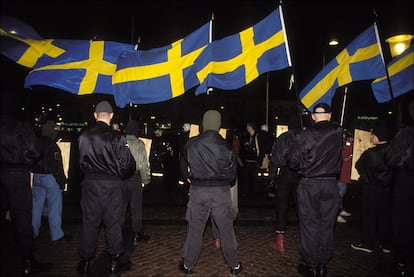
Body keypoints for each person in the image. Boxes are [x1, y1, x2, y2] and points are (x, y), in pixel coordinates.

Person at [178, 110, 242, 276]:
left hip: (198, 191)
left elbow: (183, 164)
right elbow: (233, 175)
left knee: (195, 229)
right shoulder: (226, 146)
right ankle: (234, 265)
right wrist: (223, 180)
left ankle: (188, 264)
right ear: (218, 125)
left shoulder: (191, 144)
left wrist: (188, 178)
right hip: (220, 192)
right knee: (226, 229)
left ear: (204, 124)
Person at [76, 101, 136, 275]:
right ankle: (115, 261)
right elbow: (128, 165)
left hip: (90, 183)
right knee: (113, 223)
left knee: (90, 223)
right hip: (111, 184)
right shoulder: (117, 137)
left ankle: (86, 261)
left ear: (95, 115)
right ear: (111, 116)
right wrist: (119, 175)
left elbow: (80, 162)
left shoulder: (83, 136)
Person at [287, 103, 343, 277]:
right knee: (327, 225)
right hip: (330, 184)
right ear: (330, 115)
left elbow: (292, 161)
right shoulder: (339, 133)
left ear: (312, 116)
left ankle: (311, 264)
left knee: (309, 224)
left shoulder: (305, 135)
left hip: (310, 184)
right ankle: (323, 263)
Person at [0, 116, 51, 276]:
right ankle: (27, 261)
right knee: (22, 216)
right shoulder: (19, 124)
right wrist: (26, 161)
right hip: (16, 172)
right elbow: (35, 149)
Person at [351, 122, 394, 254]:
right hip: (387, 189)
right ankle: (386, 244)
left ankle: (367, 243)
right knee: (384, 216)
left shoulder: (371, 153)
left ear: (379, 136)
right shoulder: (393, 150)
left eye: (373, 134)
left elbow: (359, 166)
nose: (371, 137)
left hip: (370, 188)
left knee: (368, 215)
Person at [385, 100, 414, 276]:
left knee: (403, 221)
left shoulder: (408, 132)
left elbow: (391, 158)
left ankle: (401, 263)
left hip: (407, 182)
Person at [31, 120, 70, 242]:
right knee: (55, 206)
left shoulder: (36, 142)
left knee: (36, 207)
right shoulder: (52, 145)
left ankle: (33, 232)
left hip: (37, 176)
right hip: (50, 178)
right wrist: (62, 181)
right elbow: (56, 166)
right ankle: (56, 234)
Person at [268, 118, 300, 253]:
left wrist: (272, 177)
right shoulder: (305, 137)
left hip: (285, 173)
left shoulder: (283, 138)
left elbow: (275, 159)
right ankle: (305, 236)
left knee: (282, 206)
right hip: (300, 173)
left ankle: (280, 239)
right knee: (301, 205)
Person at [122, 119, 151, 245]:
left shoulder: (119, 143)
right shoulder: (139, 144)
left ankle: (117, 232)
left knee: (120, 208)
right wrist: (146, 180)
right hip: (135, 179)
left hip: (121, 179)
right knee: (136, 208)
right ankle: (136, 234)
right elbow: (144, 164)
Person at [336, 134, 354, 223]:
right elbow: (345, 158)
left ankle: (341, 209)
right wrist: (350, 156)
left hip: (346, 175)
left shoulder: (351, 146)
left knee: (342, 194)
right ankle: (336, 214)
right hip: (341, 175)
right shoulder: (341, 147)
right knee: (339, 194)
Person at [240, 121, 259, 198]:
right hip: (249, 160)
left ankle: (253, 194)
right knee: (247, 177)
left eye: (247, 126)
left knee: (253, 178)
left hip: (254, 160)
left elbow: (256, 149)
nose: (246, 128)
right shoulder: (250, 136)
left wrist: (249, 146)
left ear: (250, 127)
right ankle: (248, 193)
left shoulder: (256, 136)